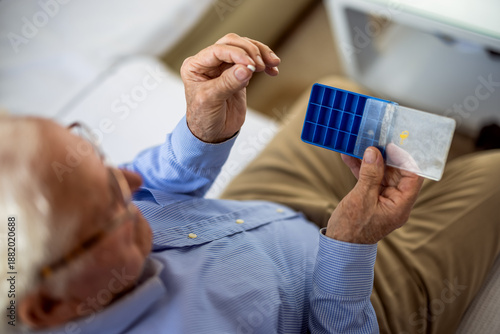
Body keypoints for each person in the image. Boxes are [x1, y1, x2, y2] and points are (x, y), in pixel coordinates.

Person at [0, 34, 498, 334]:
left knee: (337, 94)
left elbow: (152, 184)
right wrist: (349, 247)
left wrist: (200, 131)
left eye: (101, 162)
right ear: (49, 305)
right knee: (494, 174)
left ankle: (445, 163)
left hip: (256, 209)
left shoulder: (64, 230)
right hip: (357, 295)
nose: (132, 182)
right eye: (111, 203)